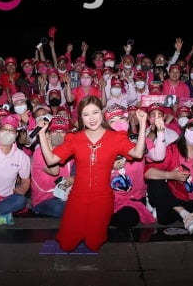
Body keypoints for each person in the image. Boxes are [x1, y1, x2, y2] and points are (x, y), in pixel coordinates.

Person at [36, 95, 148, 252]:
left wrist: (142, 124)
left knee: (94, 244)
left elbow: (137, 153)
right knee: (67, 244)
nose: (92, 118)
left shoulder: (116, 137)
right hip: (77, 197)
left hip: (102, 199)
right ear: (81, 118)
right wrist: (42, 134)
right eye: (86, 114)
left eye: (95, 112)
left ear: (102, 113)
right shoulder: (74, 138)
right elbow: (51, 160)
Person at [30, 115, 73, 218]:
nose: (58, 134)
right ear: (48, 133)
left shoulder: (69, 152)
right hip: (43, 201)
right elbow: (55, 171)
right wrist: (48, 144)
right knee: (60, 208)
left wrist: (74, 178)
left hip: (64, 195)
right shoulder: (39, 153)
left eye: (62, 132)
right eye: (54, 131)